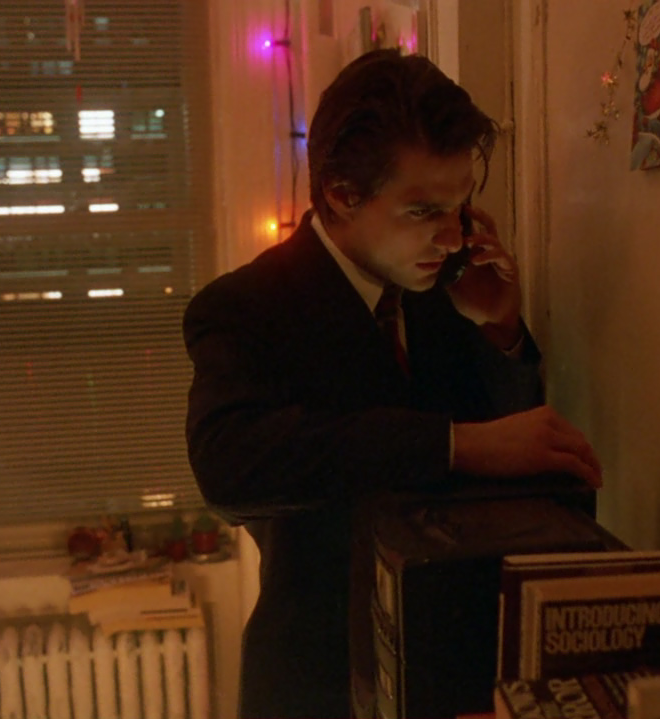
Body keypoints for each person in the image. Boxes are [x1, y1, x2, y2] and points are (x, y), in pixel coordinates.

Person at [184, 49, 603, 718]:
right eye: (423, 210)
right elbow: (229, 467)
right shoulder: (245, 305)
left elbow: (510, 462)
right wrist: (453, 445)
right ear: (342, 194)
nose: (451, 236)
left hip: (458, 658)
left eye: (461, 205)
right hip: (318, 679)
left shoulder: (445, 286)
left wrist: (501, 331)